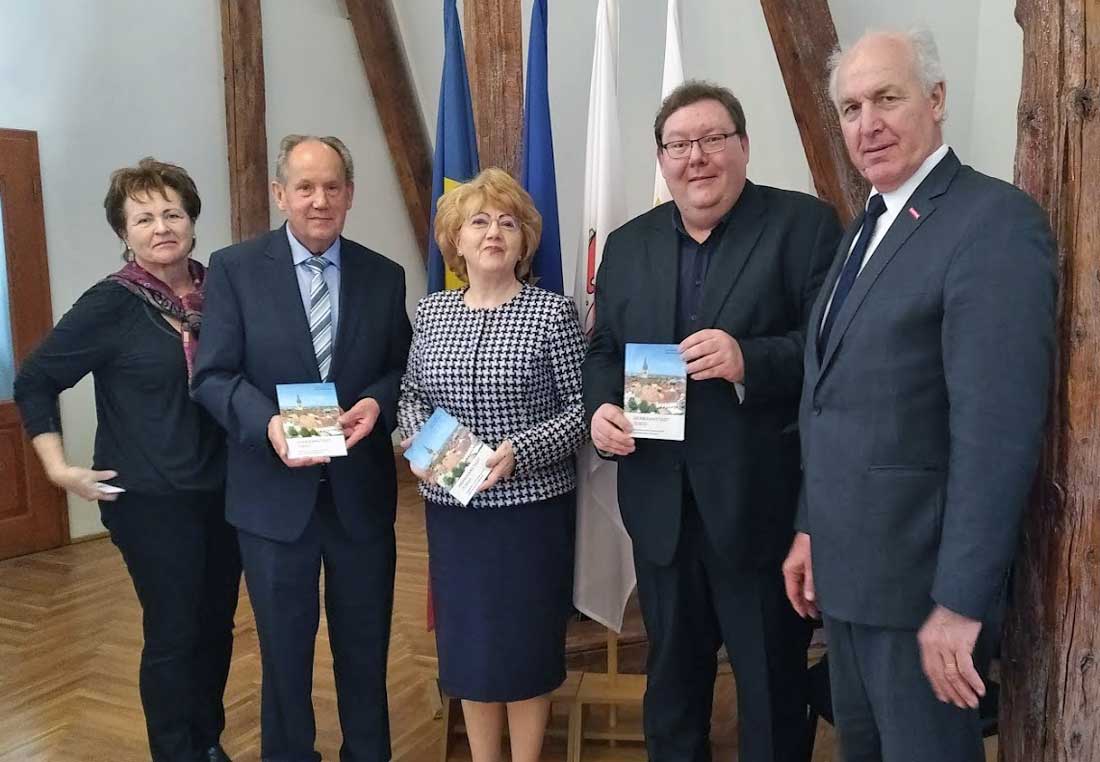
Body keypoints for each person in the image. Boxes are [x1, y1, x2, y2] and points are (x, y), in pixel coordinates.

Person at [781, 29, 1056, 762]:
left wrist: (961, 601)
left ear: (935, 100)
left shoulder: (991, 223)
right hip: (847, 578)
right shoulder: (864, 225)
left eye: (886, 98)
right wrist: (811, 527)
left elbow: (997, 432)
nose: (866, 123)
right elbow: (835, 399)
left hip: (920, 596)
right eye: (849, 108)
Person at [583, 81, 842, 762]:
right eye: (679, 144)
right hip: (660, 507)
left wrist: (746, 358)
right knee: (671, 684)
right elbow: (604, 349)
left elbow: (830, 354)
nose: (695, 157)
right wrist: (600, 409)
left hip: (759, 511)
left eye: (712, 139)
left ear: (743, 146)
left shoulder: (805, 226)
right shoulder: (629, 243)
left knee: (771, 690)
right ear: (662, 159)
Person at [191, 134, 412, 762]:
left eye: (333, 186)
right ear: (280, 193)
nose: (320, 200)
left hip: (360, 500)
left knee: (365, 650)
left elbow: (399, 368)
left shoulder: (383, 273)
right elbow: (212, 377)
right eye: (306, 187)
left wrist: (378, 402)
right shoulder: (234, 269)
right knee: (284, 655)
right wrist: (268, 425)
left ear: (350, 194)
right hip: (271, 501)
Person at [13, 158, 239, 762]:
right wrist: (58, 468)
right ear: (124, 232)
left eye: (173, 212)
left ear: (192, 220)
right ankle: (176, 752)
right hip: (151, 500)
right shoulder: (111, 304)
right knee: (174, 632)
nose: (161, 226)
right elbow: (35, 380)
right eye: (144, 217)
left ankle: (207, 741)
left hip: (228, 493)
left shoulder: (226, 290)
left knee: (216, 628)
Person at [397, 167, 585, 762]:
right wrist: (415, 444)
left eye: (508, 223)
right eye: (479, 221)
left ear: (526, 242)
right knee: (471, 647)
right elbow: (410, 397)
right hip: (455, 513)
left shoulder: (552, 313)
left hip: (529, 515)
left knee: (525, 647)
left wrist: (520, 451)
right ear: (455, 240)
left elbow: (581, 410)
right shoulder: (430, 313)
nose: (493, 233)